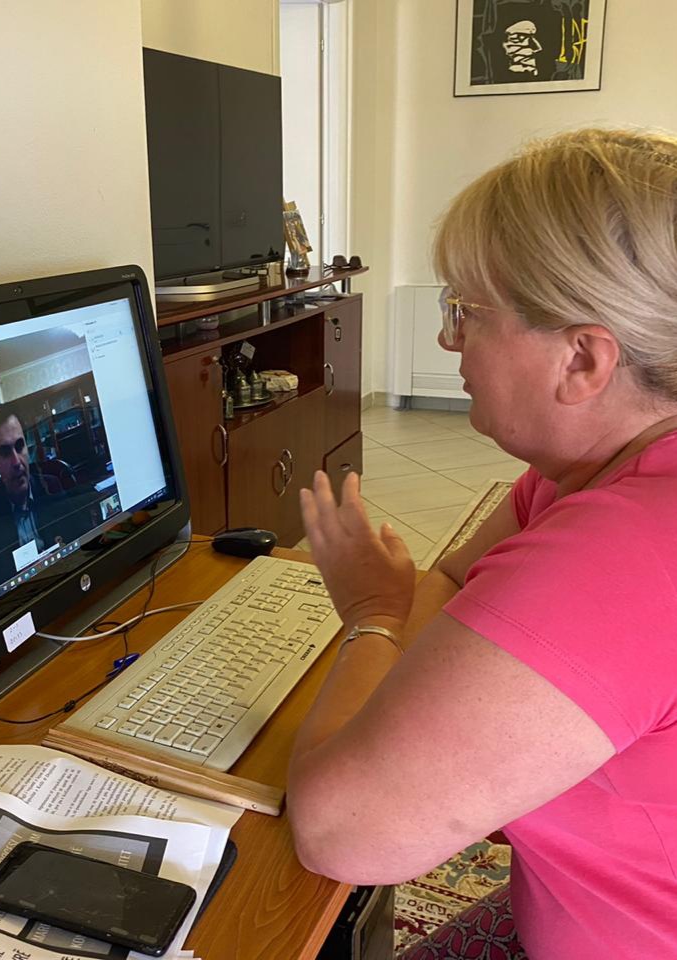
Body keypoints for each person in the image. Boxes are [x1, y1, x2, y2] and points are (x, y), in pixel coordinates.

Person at [287, 128, 677, 960]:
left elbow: (343, 831)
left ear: (583, 360)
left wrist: (370, 614)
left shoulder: (623, 548)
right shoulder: (587, 473)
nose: (447, 340)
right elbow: (449, 591)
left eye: (465, 312)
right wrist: (405, 615)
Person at [0, 403, 99, 600]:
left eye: (19, 446)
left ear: (27, 447)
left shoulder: (54, 485)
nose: (16, 462)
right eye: (5, 452)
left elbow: (84, 544)